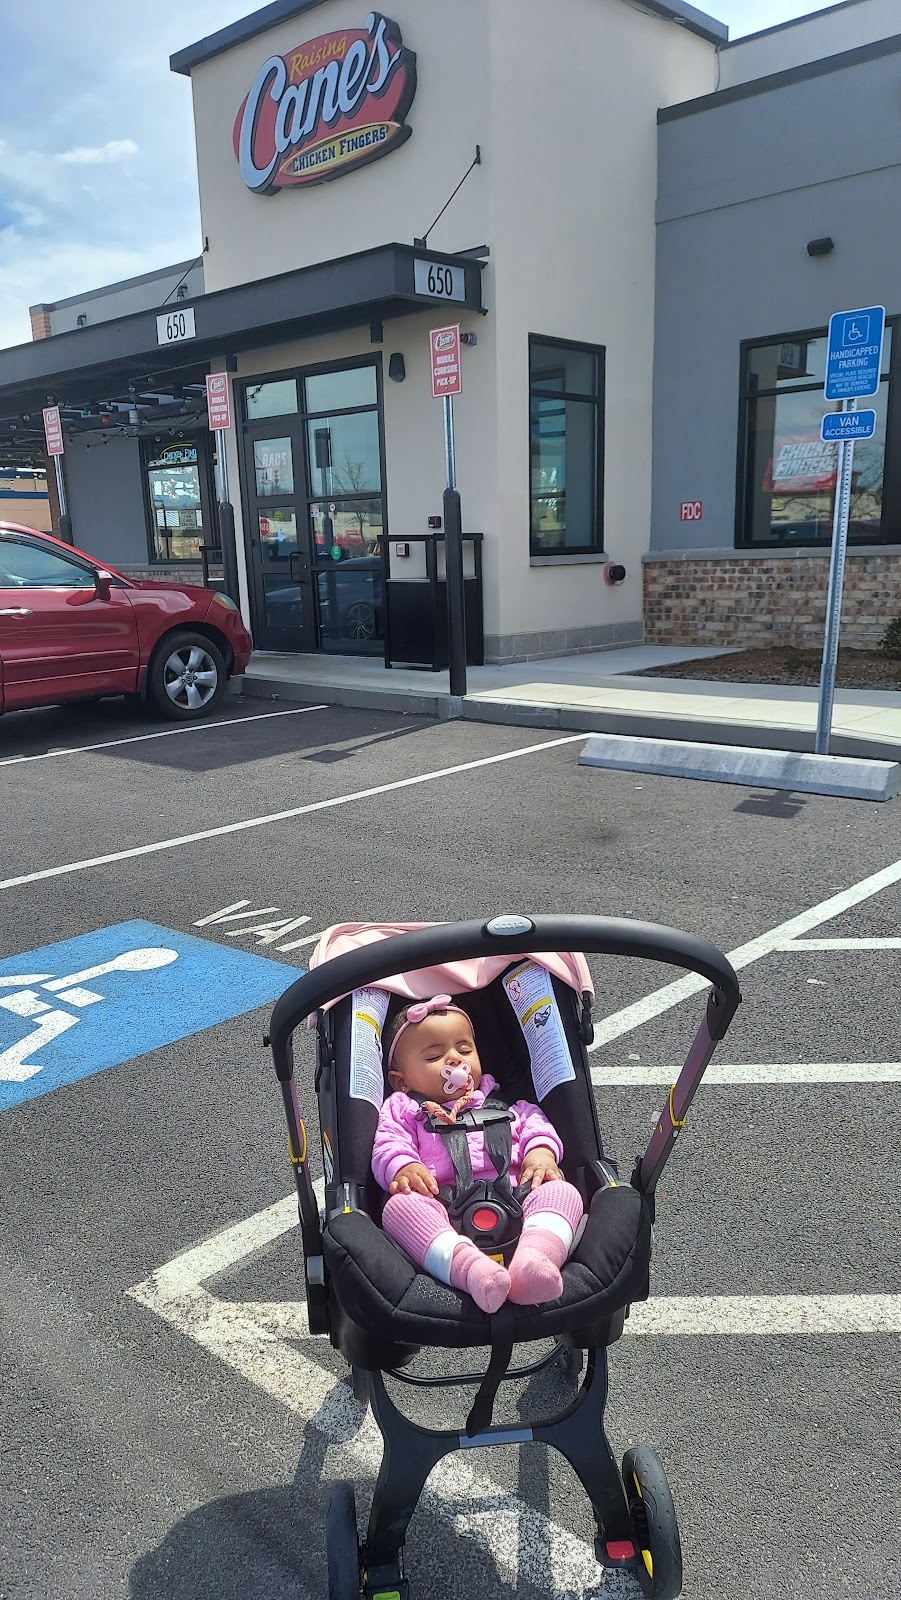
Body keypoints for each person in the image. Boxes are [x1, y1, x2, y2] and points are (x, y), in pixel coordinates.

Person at [372, 996, 584, 1314]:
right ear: (400, 1081)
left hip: (518, 1199)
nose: (455, 1059)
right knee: (399, 1208)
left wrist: (540, 1153)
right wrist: (404, 1166)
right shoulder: (405, 1110)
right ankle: (472, 1270)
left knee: (562, 1192)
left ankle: (535, 1260)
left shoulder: (504, 1105)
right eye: (435, 1056)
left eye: (465, 1049)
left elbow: (536, 1125)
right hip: (441, 1207)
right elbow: (388, 1141)